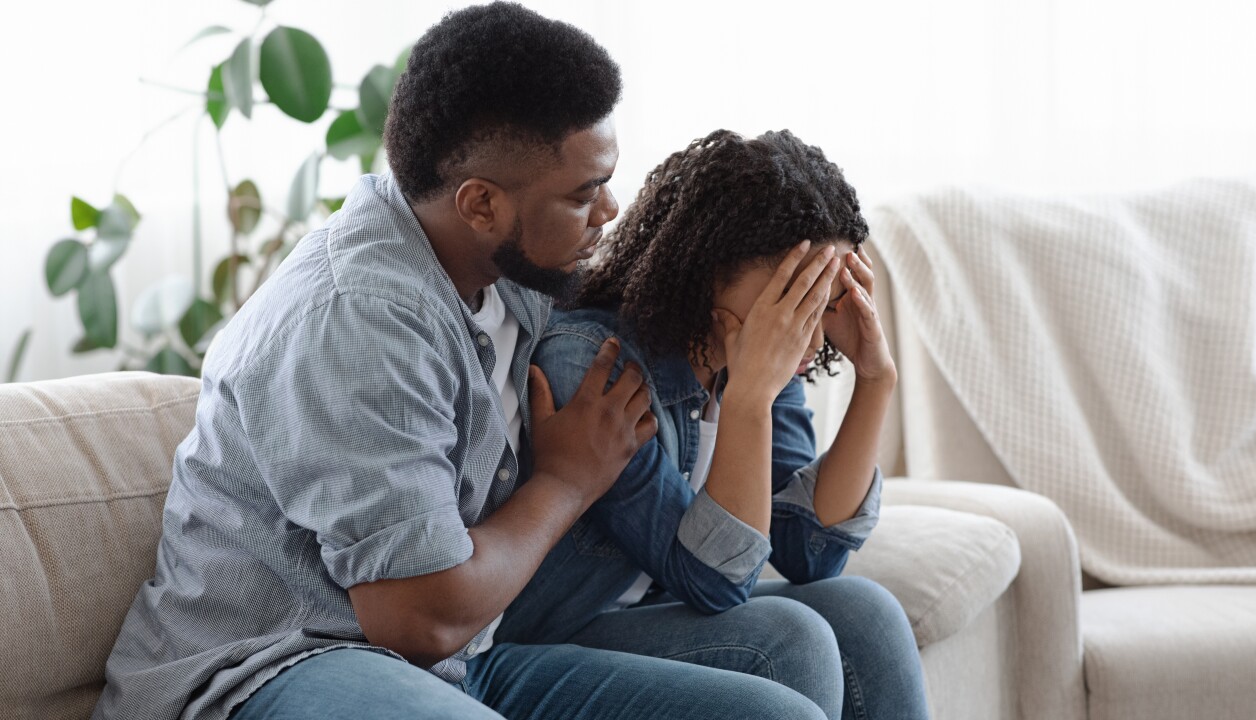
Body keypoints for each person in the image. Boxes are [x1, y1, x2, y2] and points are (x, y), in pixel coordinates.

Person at [94, 5, 842, 720]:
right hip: (278, 665)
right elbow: (417, 619)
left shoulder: (513, 270)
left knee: (783, 680)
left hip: (465, 661)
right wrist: (566, 479)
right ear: (480, 204)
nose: (609, 212)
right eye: (585, 192)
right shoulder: (358, 316)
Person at [497, 129, 932, 720]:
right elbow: (714, 581)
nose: (805, 330)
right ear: (706, 273)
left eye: (822, 301)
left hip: (651, 614)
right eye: (791, 295)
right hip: (552, 631)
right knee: (790, 640)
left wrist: (876, 381)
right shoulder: (592, 361)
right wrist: (750, 400)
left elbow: (810, 554)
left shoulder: (762, 360)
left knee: (866, 611)